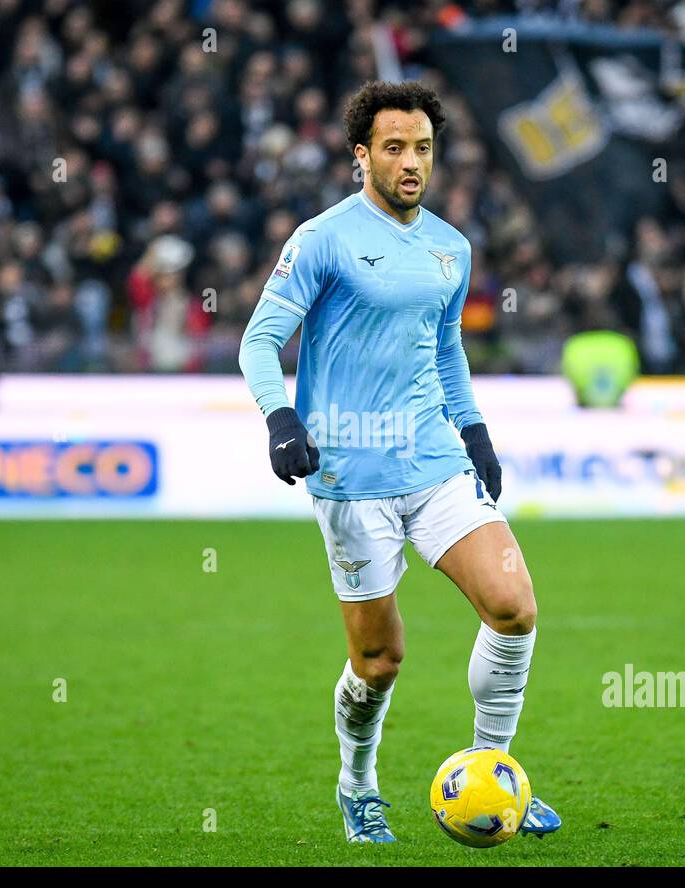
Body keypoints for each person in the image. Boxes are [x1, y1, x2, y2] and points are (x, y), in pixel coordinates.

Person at [238, 80, 560, 844]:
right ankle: (357, 786)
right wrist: (281, 418)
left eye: (421, 148)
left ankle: (493, 773)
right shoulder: (321, 239)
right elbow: (257, 340)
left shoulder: (452, 246)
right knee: (381, 660)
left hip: (435, 460)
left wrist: (474, 430)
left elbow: (445, 347)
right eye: (393, 148)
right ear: (362, 156)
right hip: (351, 475)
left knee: (514, 608)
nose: (410, 162)